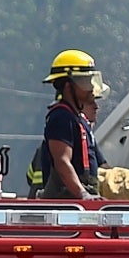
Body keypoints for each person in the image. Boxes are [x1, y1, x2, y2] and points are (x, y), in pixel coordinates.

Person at [28, 50, 105, 199]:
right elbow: (62, 161)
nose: (91, 88)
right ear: (68, 87)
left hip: (77, 197)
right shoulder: (61, 117)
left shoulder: (75, 118)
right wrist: (83, 195)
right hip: (67, 199)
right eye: (84, 82)